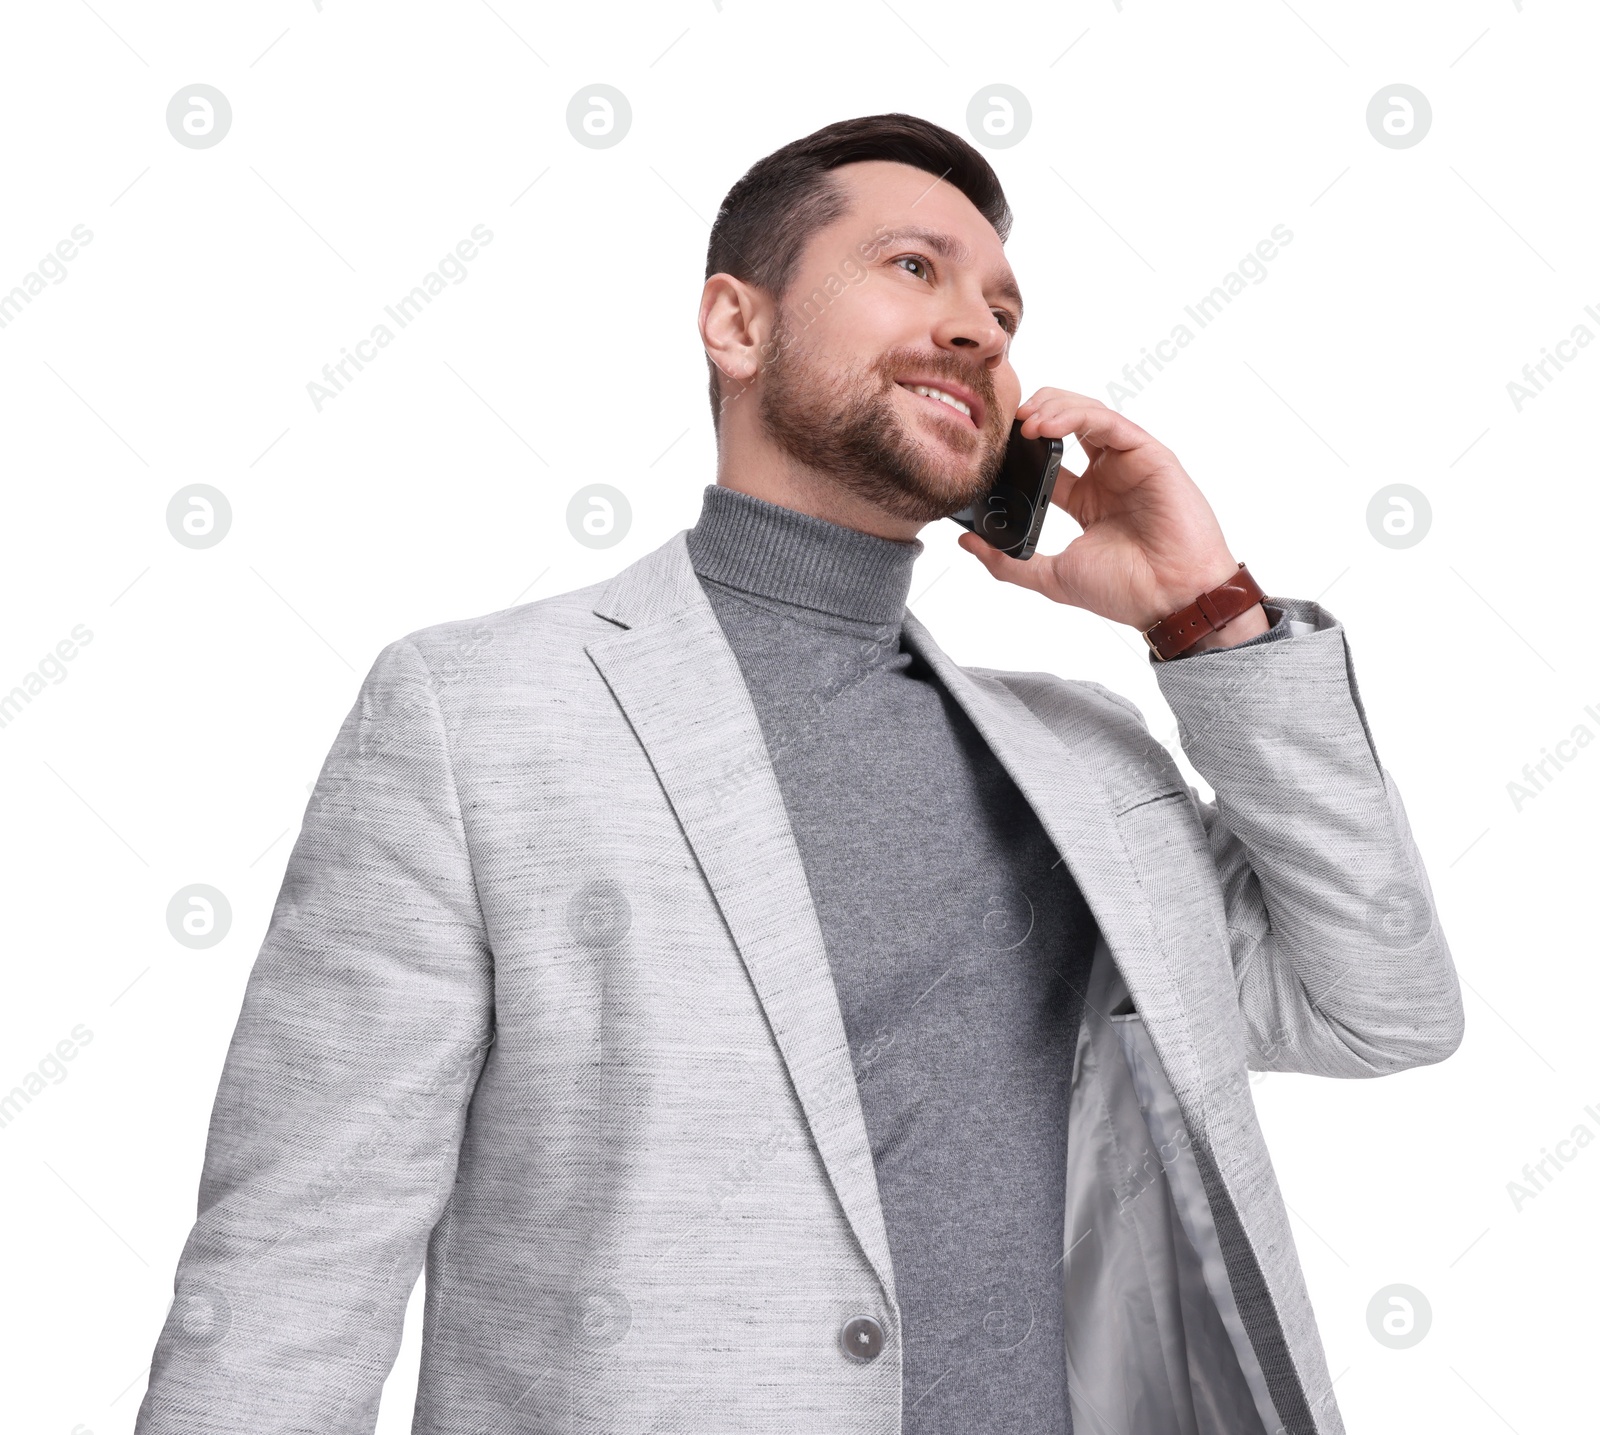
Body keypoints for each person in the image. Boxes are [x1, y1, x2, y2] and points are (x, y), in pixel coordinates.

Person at [135, 112, 1464, 1435]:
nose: (980, 327)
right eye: (914, 268)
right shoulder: (475, 713)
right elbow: (296, 1268)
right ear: (736, 325)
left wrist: (1205, 618)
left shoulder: (1084, 765)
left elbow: (1376, 1006)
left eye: (1003, 306)